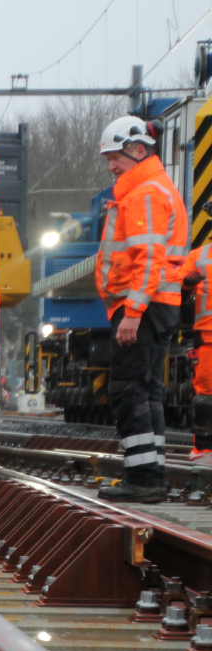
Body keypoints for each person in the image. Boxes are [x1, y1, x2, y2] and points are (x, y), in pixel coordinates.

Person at [94, 115, 188, 501]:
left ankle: (143, 479)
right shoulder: (154, 188)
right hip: (158, 304)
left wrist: (132, 312)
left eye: (115, 157)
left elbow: (148, 257)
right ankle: (152, 474)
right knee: (148, 391)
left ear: (137, 150)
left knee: (128, 390)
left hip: (143, 307)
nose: (111, 166)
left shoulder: (144, 193)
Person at [178, 210, 211, 462]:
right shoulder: (198, 257)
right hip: (208, 336)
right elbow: (177, 292)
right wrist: (186, 284)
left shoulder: (199, 256)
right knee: (206, 395)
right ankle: (204, 449)